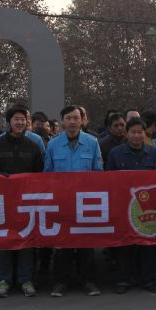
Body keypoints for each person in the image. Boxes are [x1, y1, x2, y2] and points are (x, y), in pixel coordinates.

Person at [0, 105, 44, 298]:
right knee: (4, 241)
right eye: (16, 119)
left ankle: (26, 279)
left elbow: (40, 174)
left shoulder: (33, 146)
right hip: (2, 203)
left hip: (26, 203)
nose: (20, 122)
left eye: (23, 119)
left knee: (26, 240)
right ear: (8, 122)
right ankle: (3, 280)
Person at [44, 105, 104, 297]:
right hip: (61, 201)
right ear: (62, 121)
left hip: (85, 202)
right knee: (63, 244)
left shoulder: (92, 142)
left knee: (85, 244)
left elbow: (98, 173)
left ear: (82, 120)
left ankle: (88, 281)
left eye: (76, 118)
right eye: (68, 118)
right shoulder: (53, 144)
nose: (72, 122)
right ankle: (61, 282)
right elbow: (47, 174)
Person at [106, 117, 156, 293]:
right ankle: (124, 279)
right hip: (124, 206)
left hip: (149, 207)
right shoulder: (116, 154)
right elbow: (108, 180)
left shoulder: (154, 154)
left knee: (149, 244)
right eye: (133, 132)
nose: (137, 136)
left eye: (140, 132)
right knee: (125, 244)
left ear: (144, 133)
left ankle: (148, 279)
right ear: (127, 134)